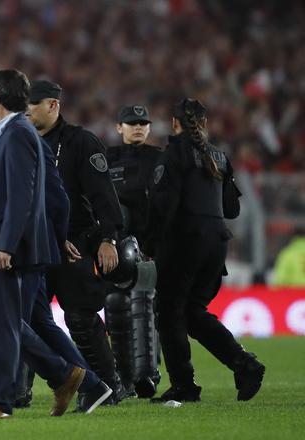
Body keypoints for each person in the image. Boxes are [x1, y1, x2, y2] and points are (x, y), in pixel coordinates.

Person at [0, 70, 98, 420]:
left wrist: (6, 244)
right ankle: (63, 375)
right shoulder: (8, 132)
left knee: (6, 324)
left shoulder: (17, 134)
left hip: (6, 250)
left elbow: (21, 195)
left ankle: (1, 402)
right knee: (5, 322)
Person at [146, 98, 265, 402]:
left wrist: (150, 244)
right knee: (192, 312)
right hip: (216, 244)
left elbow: (164, 207)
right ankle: (244, 364)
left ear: (175, 124)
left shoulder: (173, 155)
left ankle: (184, 385)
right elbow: (232, 208)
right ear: (205, 124)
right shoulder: (220, 157)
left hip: (185, 242)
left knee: (169, 313)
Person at [26, 79, 126, 411]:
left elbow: (103, 196)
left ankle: (108, 386)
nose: (25, 111)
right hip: (34, 245)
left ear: (53, 106)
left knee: (80, 317)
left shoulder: (80, 143)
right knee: (27, 319)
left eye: (32, 105)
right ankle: (18, 391)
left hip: (75, 244)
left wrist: (109, 239)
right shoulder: (20, 142)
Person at [104, 105, 162, 398]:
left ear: (149, 128)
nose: (137, 127)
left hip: (149, 245)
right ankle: (124, 378)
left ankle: (147, 375)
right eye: (131, 123)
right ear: (119, 128)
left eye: (142, 123)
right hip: (116, 243)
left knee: (144, 302)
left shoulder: (160, 159)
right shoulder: (106, 158)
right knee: (114, 303)